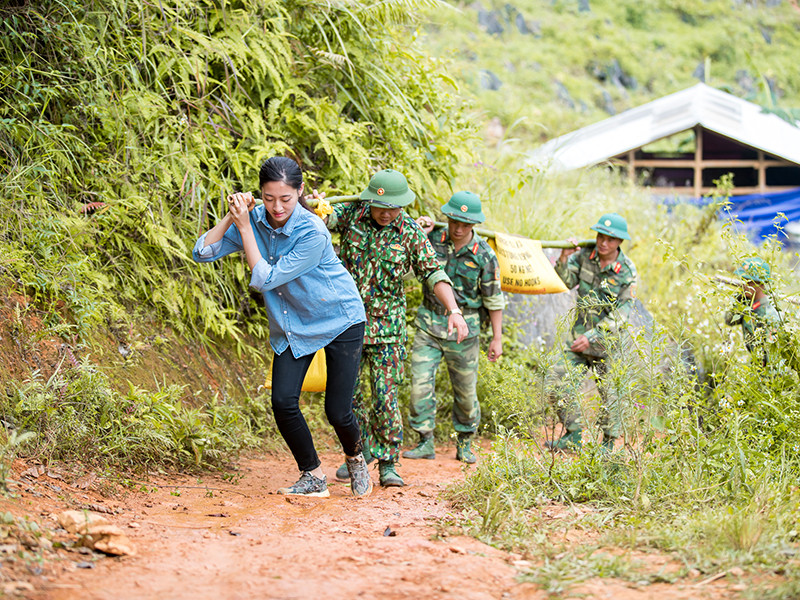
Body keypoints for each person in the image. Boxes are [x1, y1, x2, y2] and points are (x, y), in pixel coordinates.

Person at [192, 157, 372, 498]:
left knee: (338, 410)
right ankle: (313, 476)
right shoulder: (256, 218)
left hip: (339, 318)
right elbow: (202, 251)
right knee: (283, 401)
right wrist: (234, 216)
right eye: (269, 197)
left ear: (300, 192)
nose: (276, 207)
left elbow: (266, 280)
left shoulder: (312, 231)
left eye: (286, 199)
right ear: (259, 194)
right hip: (295, 323)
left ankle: (356, 458)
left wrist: (245, 229)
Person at [320, 169, 469, 487]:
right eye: (381, 206)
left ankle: (388, 462)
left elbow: (432, 271)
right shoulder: (351, 215)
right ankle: (357, 454)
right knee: (350, 399)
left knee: (385, 398)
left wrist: (453, 310)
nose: (387, 214)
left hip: (388, 329)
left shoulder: (409, 232)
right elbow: (318, 219)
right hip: (347, 325)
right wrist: (312, 204)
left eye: (394, 207)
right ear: (369, 200)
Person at [403, 191, 505, 464]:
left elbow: (494, 300)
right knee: (419, 385)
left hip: (464, 331)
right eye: (453, 221)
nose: (458, 228)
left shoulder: (484, 255)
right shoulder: (433, 239)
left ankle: (465, 441)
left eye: (465, 224)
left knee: (465, 391)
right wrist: (421, 232)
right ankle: (425, 440)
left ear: (474, 225)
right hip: (429, 324)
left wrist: (497, 338)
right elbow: (407, 261)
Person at [546, 213, 638, 452]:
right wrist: (564, 259)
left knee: (611, 395)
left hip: (608, 344)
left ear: (619, 242)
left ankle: (607, 445)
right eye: (600, 236)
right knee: (556, 377)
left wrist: (593, 336)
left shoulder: (626, 270)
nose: (603, 243)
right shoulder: (585, 256)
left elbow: (623, 312)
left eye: (610, 239)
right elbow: (565, 282)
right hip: (579, 339)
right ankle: (573, 435)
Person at [724, 257, 780, 367]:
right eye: (743, 281)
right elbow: (729, 320)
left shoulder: (769, 314)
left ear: (759, 284)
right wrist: (738, 300)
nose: (744, 286)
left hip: (768, 373)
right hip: (756, 366)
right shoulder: (749, 305)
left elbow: (773, 359)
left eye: (748, 282)